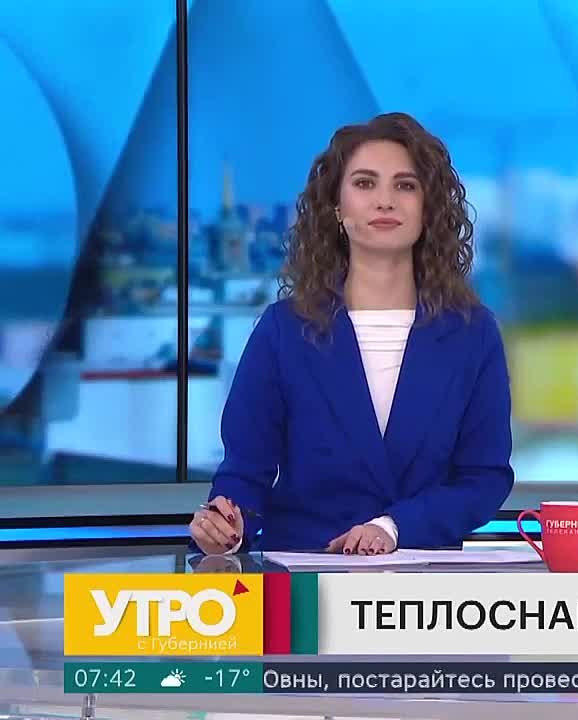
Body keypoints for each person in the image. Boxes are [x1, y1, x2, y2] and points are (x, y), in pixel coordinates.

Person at [189, 112, 514, 556]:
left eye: (405, 185)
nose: (385, 201)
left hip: (424, 580)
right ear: (337, 209)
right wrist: (226, 525)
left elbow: (484, 478)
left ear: (428, 209)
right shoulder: (284, 330)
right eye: (365, 183)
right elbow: (245, 475)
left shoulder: (472, 334)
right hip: (306, 574)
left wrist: (394, 527)